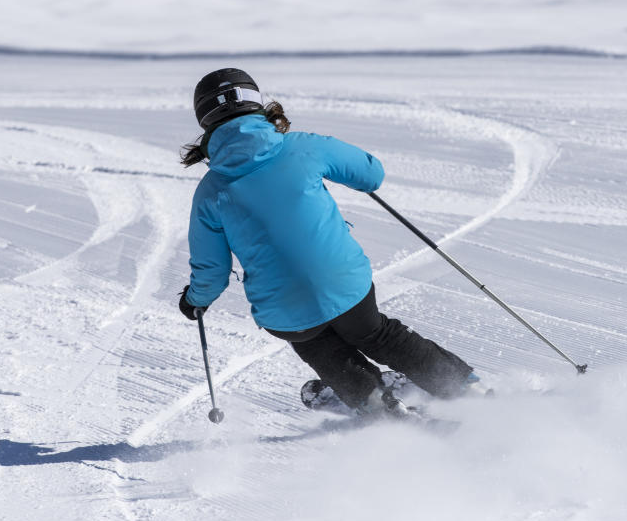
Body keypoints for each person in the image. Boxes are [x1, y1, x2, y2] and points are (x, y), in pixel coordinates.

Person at [177, 67, 485, 417]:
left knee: (321, 347)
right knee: (378, 335)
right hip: (342, 281)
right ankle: (464, 389)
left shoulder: (210, 192)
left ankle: (378, 405)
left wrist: (194, 301)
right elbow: (372, 174)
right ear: (256, 102)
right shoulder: (303, 147)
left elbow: (212, 272)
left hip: (283, 306)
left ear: (205, 120)